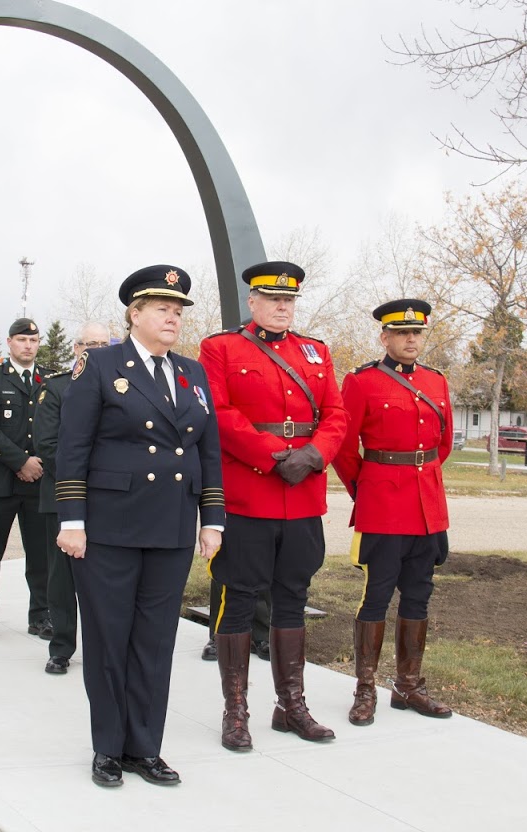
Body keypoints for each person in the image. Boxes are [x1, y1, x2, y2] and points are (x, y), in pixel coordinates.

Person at [56, 265, 224, 788]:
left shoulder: (192, 373)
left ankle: (144, 748)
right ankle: (108, 747)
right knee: (108, 638)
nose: (172, 318)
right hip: (110, 528)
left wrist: (212, 518)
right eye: (162, 309)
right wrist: (71, 520)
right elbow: (73, 447)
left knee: (155, 641)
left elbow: (208, 451)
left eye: (178, 311)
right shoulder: (102, 365)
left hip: (171, 526)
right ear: (135, 314)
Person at [198, 260, 348, 750]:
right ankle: (235, 711)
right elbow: (218, 414)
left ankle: (291, 705)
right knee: (238, 601)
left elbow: (337, 416)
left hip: (302, 494)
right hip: (248, 495)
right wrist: (270, 457)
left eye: (290, 300)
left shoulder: (316, 351)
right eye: (273, 299)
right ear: (253, 303)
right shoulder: (220, 348)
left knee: (293, 599)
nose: (283, 307)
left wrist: (313, 455)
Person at [331, 299, 454, 725]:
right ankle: (365, 689)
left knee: (419, 594)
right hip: (382, 506)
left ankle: (409, 686)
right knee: (376, 596)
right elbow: (344, 449)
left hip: (427, 508)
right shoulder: (362, 382)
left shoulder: (437, 382)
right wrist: (366, 490)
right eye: (402, 333)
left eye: (417, 333)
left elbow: (443, 444)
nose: (411, 339)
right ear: (384, 337)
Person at [33, 321, 110, 674]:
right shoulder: (57, 387)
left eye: (102, 343)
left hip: (111, 498)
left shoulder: (121, 386)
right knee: (62, 579)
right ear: (76, 348)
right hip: (64, 494)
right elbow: (48, 445)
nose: (94, 349)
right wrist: (89, 477)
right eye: (88, 343)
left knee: (106, 580)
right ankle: (61, 647)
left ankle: (104, 648)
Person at [0, 318, 51, 643]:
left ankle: (40, 616)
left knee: (40, 554)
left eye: (32, 340)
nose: (27, 346)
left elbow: (52, 426)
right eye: (21, 340)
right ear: (9, 343)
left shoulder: (46, 380)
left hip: (37, 482)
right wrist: (21, 462)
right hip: (0, 482)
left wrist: (36, 463)